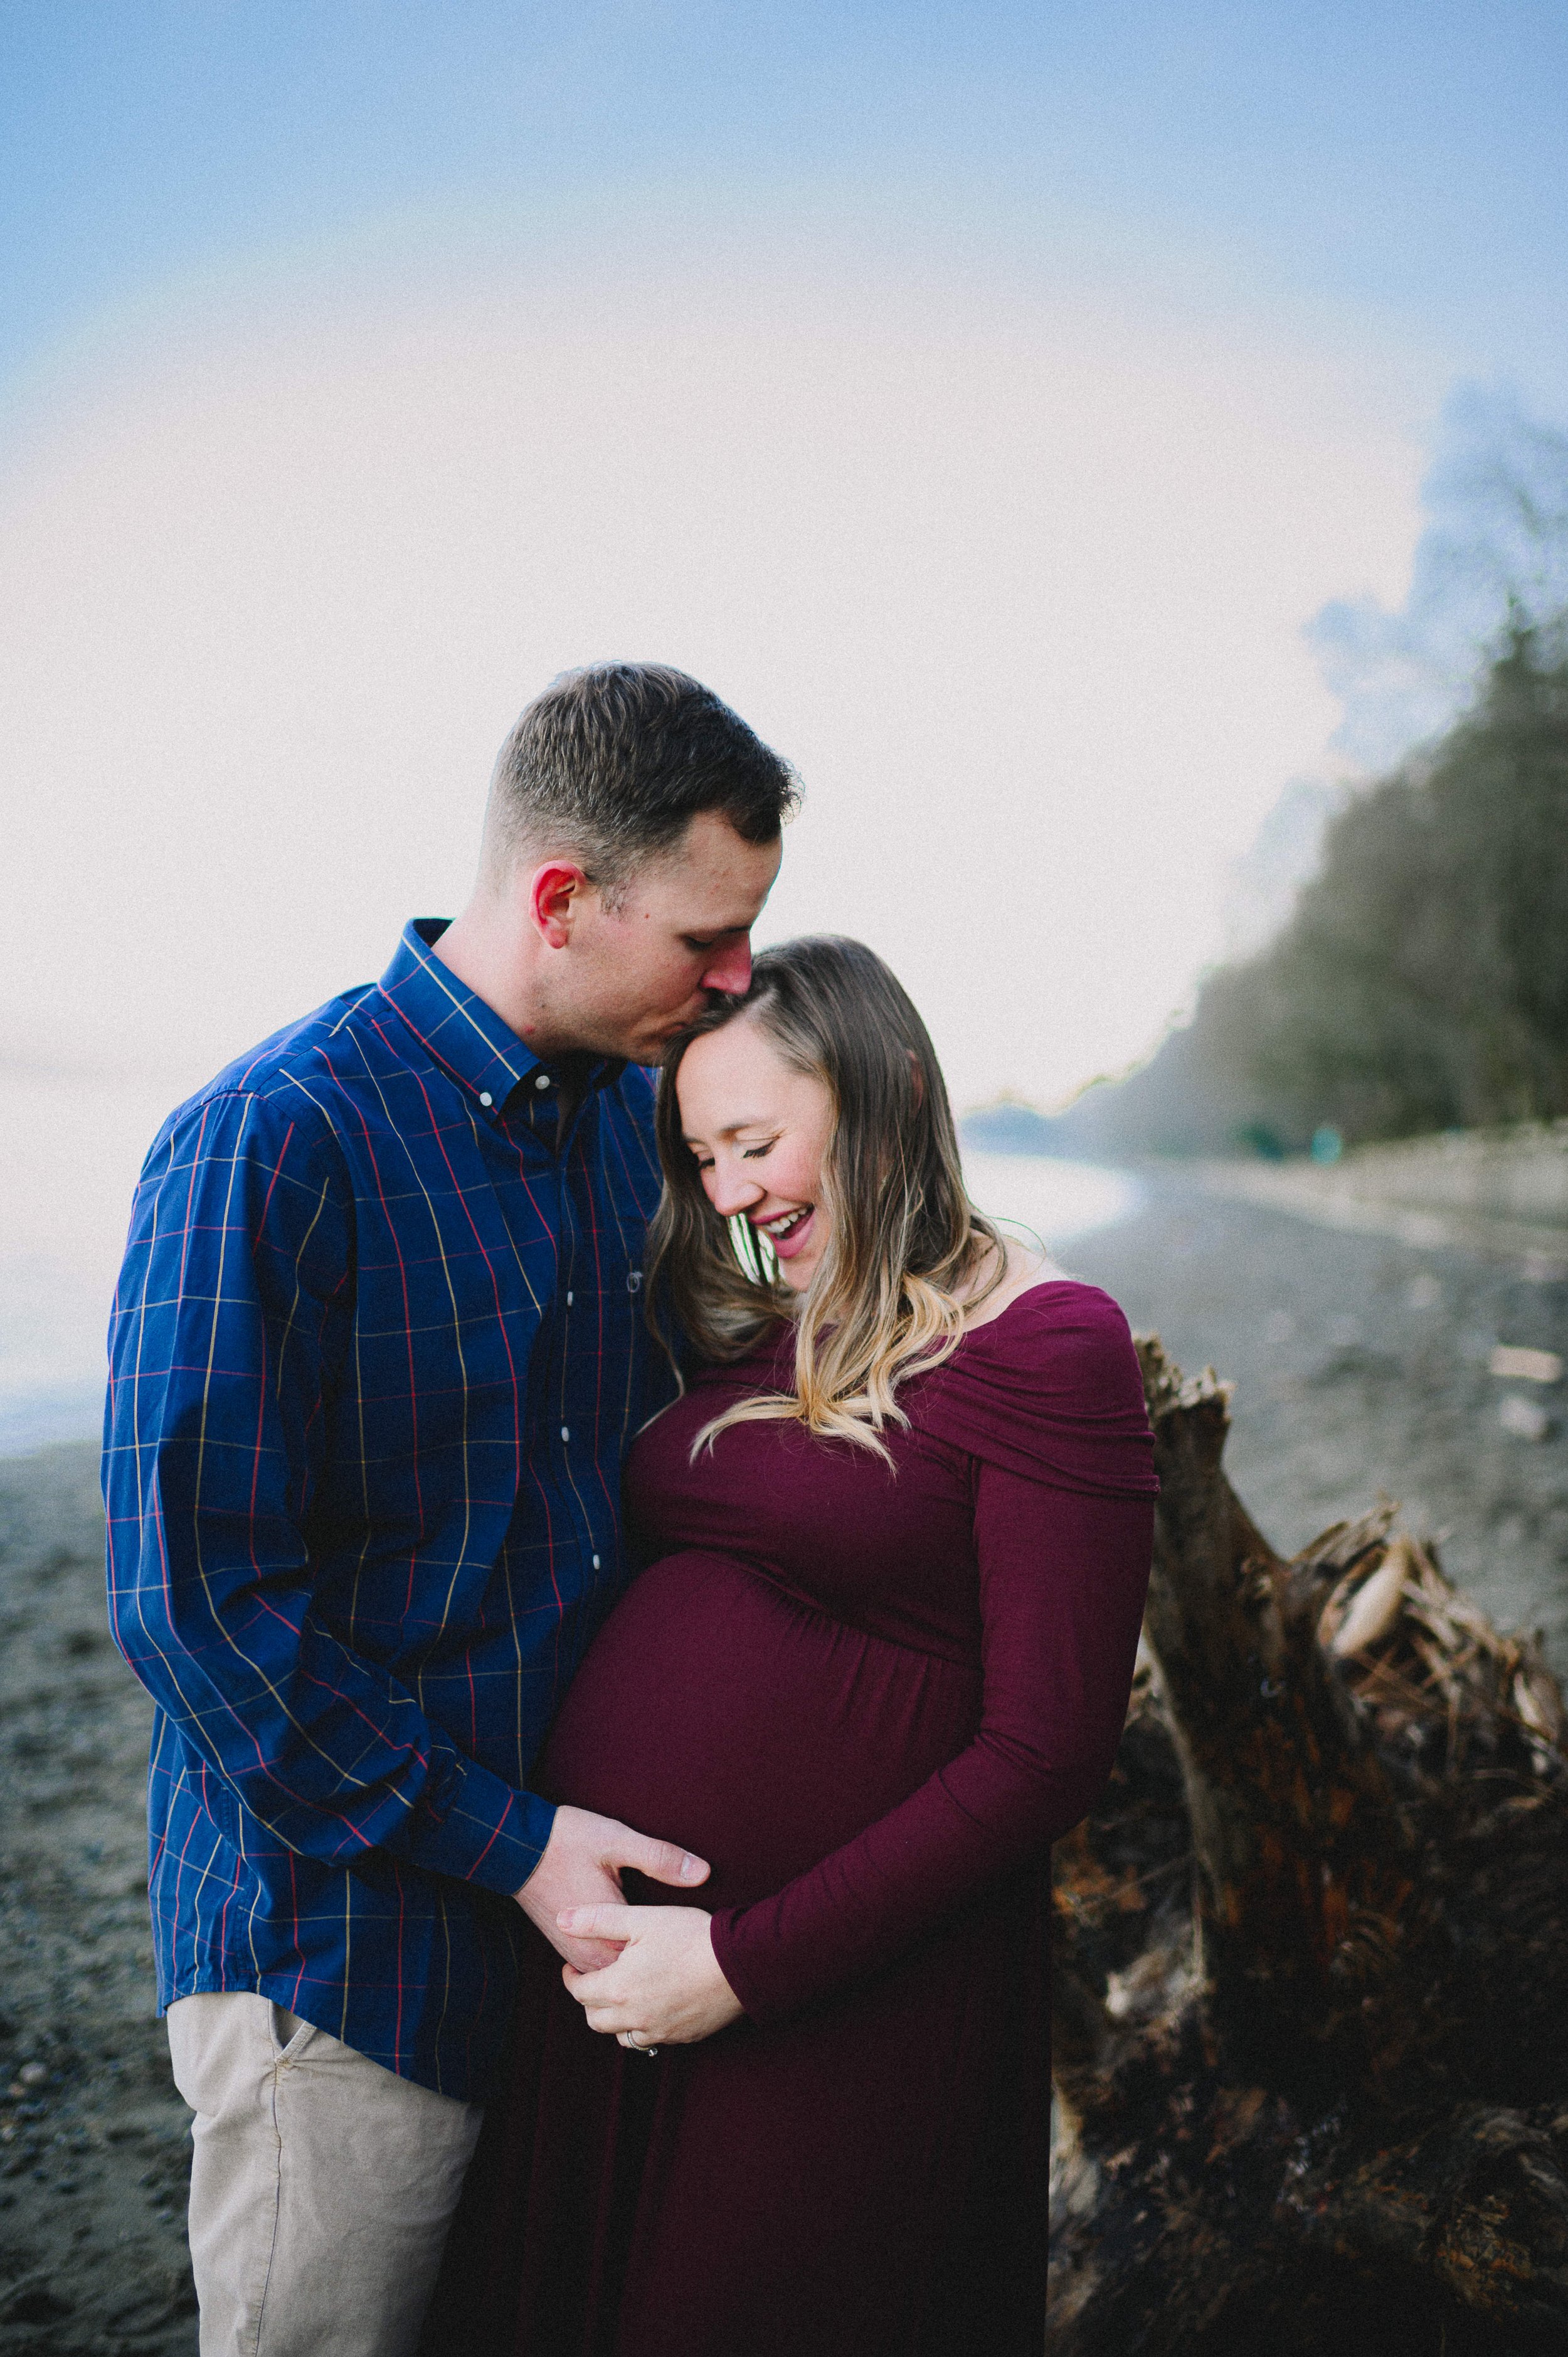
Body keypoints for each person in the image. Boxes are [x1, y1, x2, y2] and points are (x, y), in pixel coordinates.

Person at [102, 663, 798, 2357]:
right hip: (343, 1955)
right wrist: (513, 1840)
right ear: (561, 898)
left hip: (579, 1946)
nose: (738, 975)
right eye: (705, 934)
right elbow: (198, 1614)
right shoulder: (273, 1140)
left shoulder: (630, 1127)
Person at [428, 934, 1158, 2357]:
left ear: (882, 1088)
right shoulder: (784, 1320)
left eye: (754, 1141)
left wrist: (744, 1964)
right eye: (702, 1160)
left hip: (842, 1997)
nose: (733, 1194)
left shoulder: (1050, 1344)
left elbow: (1047, 1749)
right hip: (632, 1987)